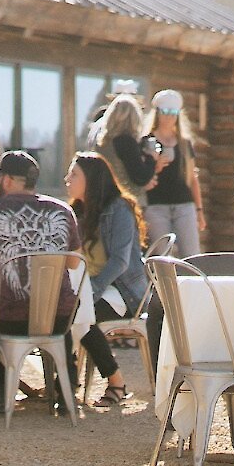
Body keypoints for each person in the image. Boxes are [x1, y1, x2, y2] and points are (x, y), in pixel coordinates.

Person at [0, 150, 83, 416]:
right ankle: (66, 388)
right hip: (58, 317)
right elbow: (75, 263)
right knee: (55, 306)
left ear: (7, 181)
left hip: (10, 317)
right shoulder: (62, 210)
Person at [68, 151, 146, 407]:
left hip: (122, 289)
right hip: (86, 285)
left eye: (74, 174)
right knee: (60, 310)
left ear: (90, 179)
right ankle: (66, 383)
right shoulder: (76, 211)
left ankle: (116, 381)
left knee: (80, 312)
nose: (67, 178)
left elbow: (120, 262)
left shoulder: (119, 208)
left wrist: (92, 291)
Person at [140, 89, 205, 256]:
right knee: (161, 257)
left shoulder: (184, 143)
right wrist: (156, 166)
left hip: (184, 204)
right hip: (156, 205)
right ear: (157, 113)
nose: (169, 116)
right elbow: (141, 178)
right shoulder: (146, 141)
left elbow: (192, 178)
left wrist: (199, 210)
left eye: (174, 112)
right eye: (165, 112)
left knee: (192, 255)